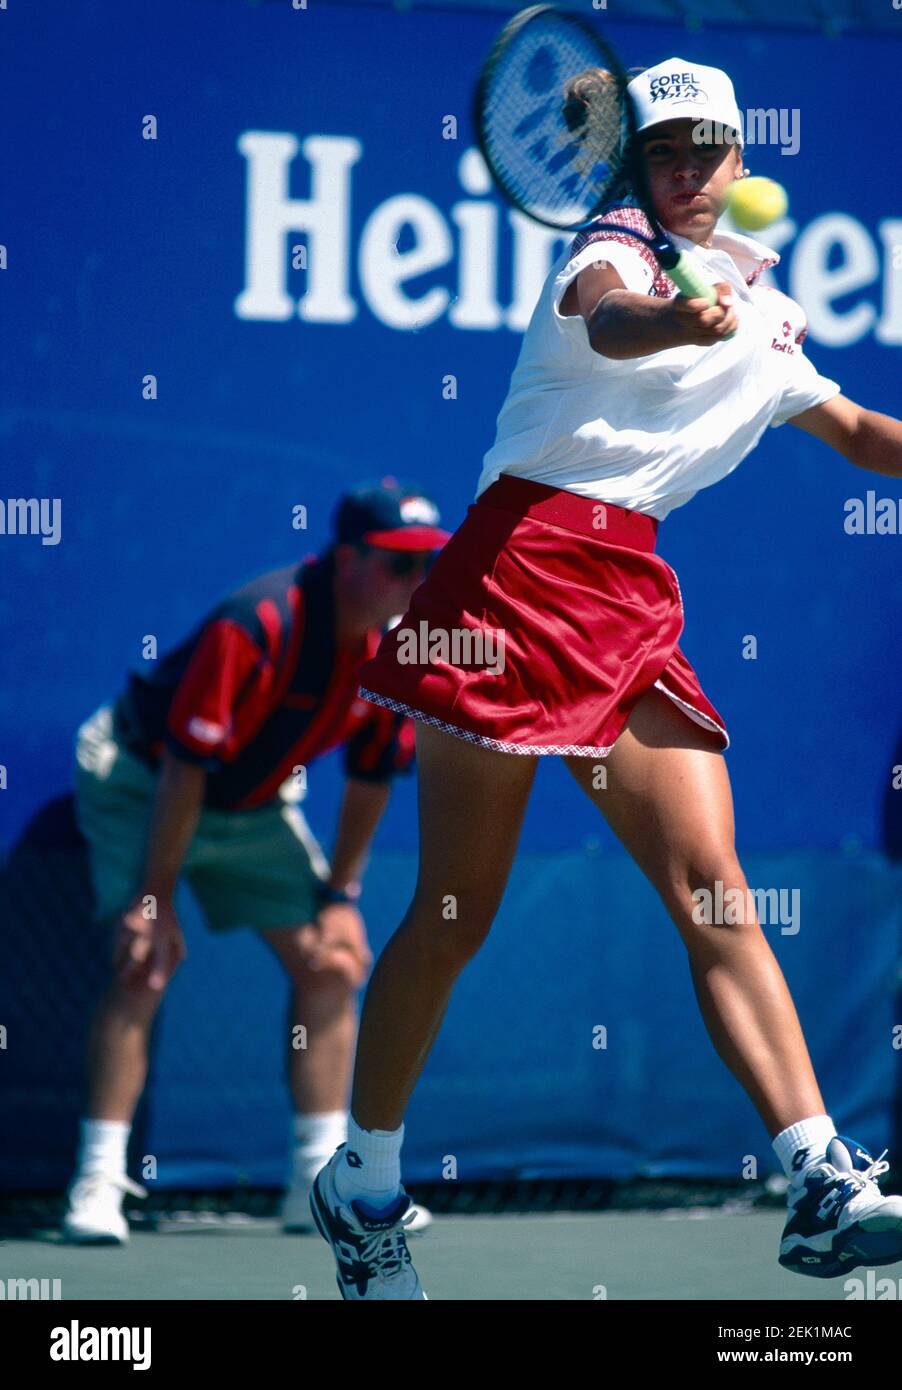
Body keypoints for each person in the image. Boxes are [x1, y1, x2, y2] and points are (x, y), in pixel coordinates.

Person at [308, 60, 902, 1299]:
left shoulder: (765, 307)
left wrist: (722, 317)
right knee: (456, 912)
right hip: (511, 575)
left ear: (741, 163)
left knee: (713, 885)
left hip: (626, 596)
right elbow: (604, 313)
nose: (683, 171)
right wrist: (671, 318)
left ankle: (815, 1176)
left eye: (705, 151)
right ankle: (361, 1181)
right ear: (635, 163)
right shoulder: (610, 245)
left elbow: (856, 433)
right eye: (662, 150)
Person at [62, 480, 450, 1244]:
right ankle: (96, 1181)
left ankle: (319, 1182)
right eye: (397, 567)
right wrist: (155, 896)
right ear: (345, 559)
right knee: (145, 961)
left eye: (424, 569)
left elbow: (371, 779)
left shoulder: (398, 649)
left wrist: (340, 893)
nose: (415, 586)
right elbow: (183, 768)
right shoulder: (258, 621)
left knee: (333, 963)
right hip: (143, 782)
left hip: (251, 803)